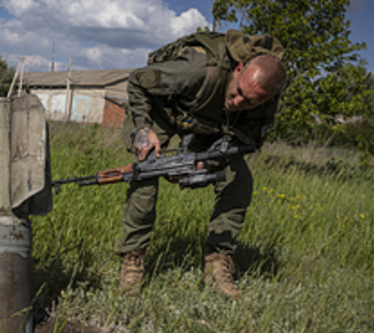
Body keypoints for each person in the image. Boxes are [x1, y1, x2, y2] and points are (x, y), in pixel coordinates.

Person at [118, 30, 286, 298]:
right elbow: (137, 80)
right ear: (239, 69)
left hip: (208, 127)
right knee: (146, 169)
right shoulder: (198, 69)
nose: (238, 101)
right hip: (162, 112)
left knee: (239, 179)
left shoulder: (266, 102)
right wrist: (143, 130)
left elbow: (248, 143)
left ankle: (218, 263)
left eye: (250, 101)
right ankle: (133, 259)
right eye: (239, 91)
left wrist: (205, 164)